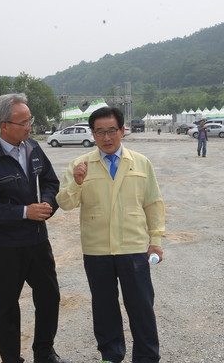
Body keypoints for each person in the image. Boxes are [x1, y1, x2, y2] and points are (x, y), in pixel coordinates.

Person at [56, 106, 165, 363]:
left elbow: (153, 203)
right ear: (92, 134)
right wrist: (77, 182)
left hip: (133, 247)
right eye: (100, 132)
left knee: (141, 307)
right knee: (104, 307)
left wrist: (156, 242)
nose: (107, 138)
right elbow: (65, 203)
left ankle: (147, 357)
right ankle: (110, 355)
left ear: (122, 131)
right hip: (97, 250)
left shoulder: (140, 163)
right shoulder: (79, 165)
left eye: (112, 131)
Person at [0, 93, 67, 363]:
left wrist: (47, 203)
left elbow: (50, 182)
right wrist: (25, 212)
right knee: (6, 306)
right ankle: (11, 359)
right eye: (23, 122)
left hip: (37, 241)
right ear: (4, 125)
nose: (30, 127)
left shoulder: (33, 148)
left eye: (30, 120)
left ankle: (44, 352)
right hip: (5, 247)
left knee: (49, 297)